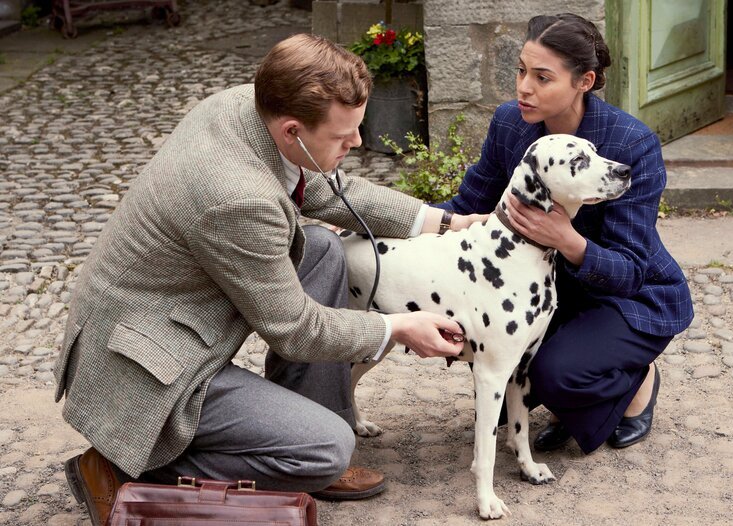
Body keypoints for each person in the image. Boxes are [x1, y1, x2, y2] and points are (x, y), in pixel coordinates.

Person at [54, 33, 487, 526]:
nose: (359, 143)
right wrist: (397, 327)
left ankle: (311, 436)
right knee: (326, 449)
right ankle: (126, 464)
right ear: (292, 131)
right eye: (344, 137)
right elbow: (295, 328)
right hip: (143, 364)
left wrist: (446, 222)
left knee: (321, 249)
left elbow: (329, 189)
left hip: (165, 314)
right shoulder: (240, 199)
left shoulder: (252, 103)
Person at [436, 13, 693, 454]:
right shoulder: (510, 124)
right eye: (520, 71)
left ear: (584, 81)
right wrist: (388, 224)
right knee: (487, 337)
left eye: (542, 77)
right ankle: (564, 385)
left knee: (554, 376)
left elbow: (631, 269)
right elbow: (466, 207)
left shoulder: (631, 145)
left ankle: (635, 380)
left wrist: (566, 239)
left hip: (629, 295)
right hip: (548, 288)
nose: (523, 88)